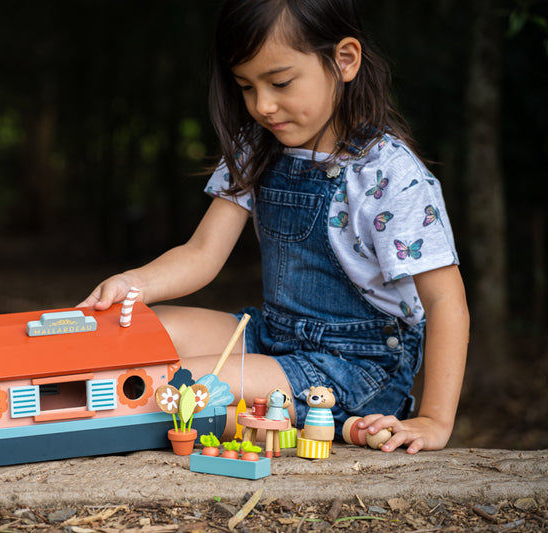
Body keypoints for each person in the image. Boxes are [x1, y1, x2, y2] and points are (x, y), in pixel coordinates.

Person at [78, 0, 468, 454]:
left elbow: (446, 301)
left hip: (354, 366)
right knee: (140, 336)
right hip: (273, 336)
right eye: (246, 86)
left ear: (344, 60)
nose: (263, 105)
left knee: (177, 389)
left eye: (280, 82)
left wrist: (435, 419)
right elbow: (203, 253)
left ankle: (319, 420)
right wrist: (133, 284)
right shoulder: (257, 148)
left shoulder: (388, 174)